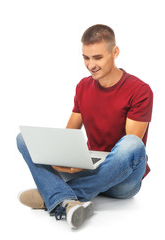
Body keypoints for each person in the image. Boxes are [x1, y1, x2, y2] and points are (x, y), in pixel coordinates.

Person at [16, 24, 153, 229]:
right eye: (85, 58)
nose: (90, 65)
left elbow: (130, 152)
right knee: (22, 138)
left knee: (133, 144)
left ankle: (54, 196)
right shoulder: (82, 86)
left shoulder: (140, 90)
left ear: (115, 52)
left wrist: (84, 165)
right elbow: (69, 133)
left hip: (123, 180)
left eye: (97, 58)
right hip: (88, 168)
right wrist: (66, 157)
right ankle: (67, 201)